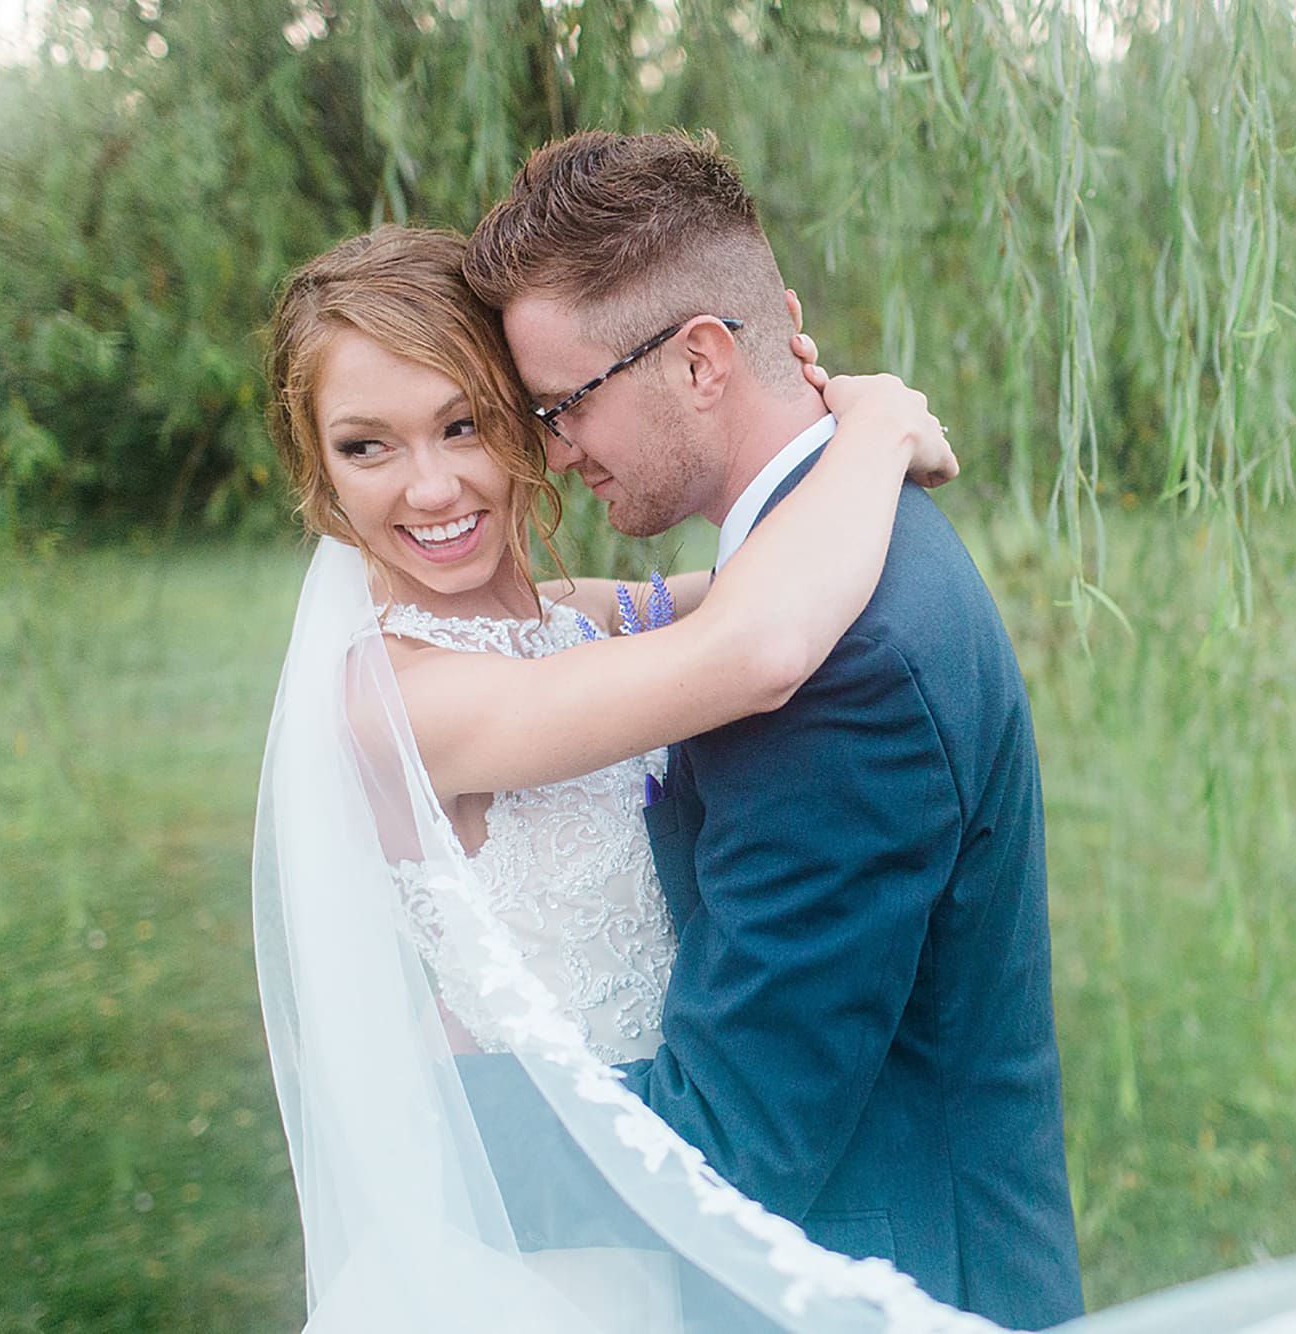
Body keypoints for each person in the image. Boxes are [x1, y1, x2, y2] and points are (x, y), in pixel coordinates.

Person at [252, 223, 973, 1331]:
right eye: (366, 446)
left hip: (649, 1205)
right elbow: (756, 648)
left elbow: (742, 582)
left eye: (463, 423)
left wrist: (797, 408)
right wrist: (870, 432)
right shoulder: (398, 702)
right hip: (545, 1248)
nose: (432, 484)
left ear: (528, 421)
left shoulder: (564, 619)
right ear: (315, 471)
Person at [463, 128, 1087, 1330]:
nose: (551, 453)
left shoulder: (841, 669)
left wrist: (420, 1119)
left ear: (702, 361)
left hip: (878, 1282)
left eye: (562, 406)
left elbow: (730, 1140)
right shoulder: (815, 553)